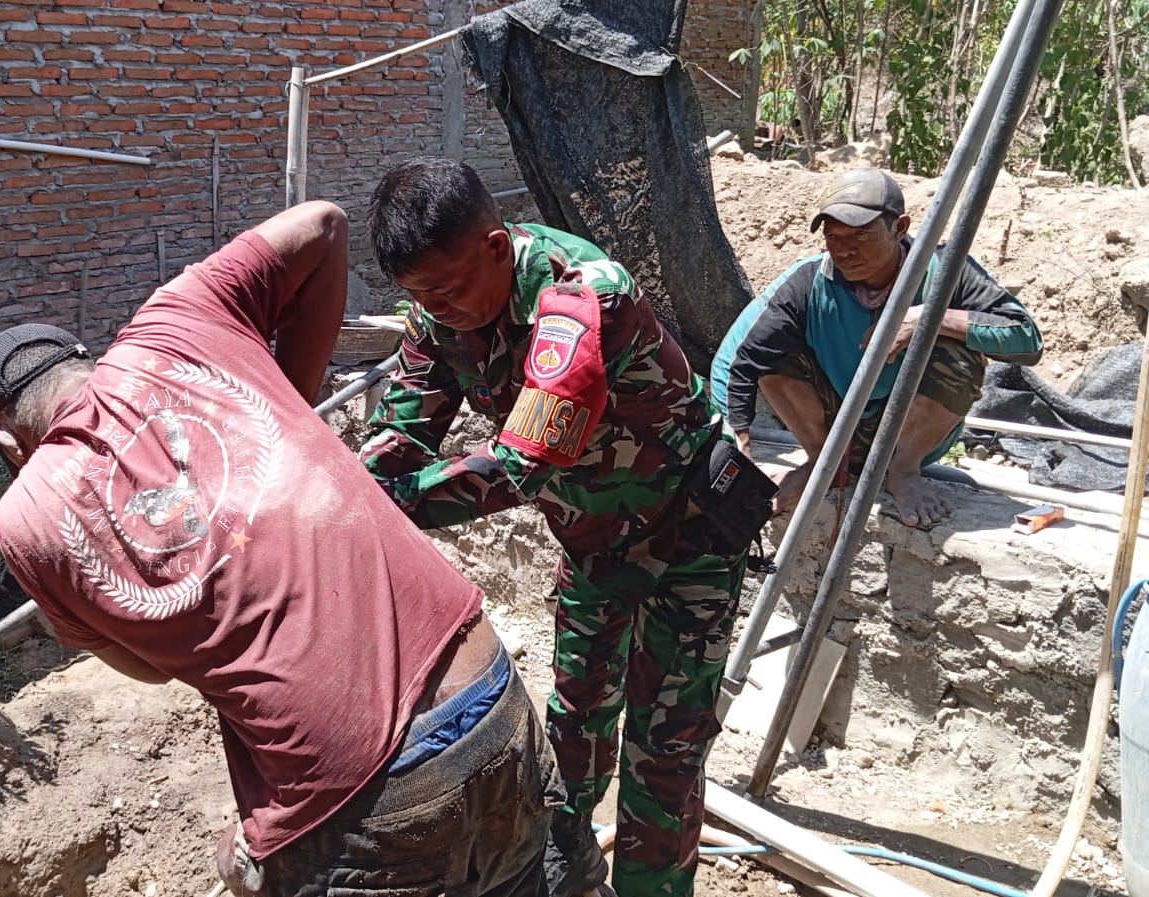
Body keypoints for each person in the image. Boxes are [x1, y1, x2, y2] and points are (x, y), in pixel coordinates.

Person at [0, 200, 561, 897]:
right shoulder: (176, 320)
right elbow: (324, 224)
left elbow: (149, 670)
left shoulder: (26, 520)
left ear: (5, 441)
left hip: (367, 797)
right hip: (492, 696)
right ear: (83, 361)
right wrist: (288, 408)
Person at [359, 157, 749, 897]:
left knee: (664, 753)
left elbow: (526, 460)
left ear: (495, 248)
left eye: (447, 289)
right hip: (594, 543)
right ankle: (566, 872)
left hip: (687, 540)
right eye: (419, 296)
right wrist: (354, 485)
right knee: (575, 727)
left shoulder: (580, 297)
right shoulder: (438, 314)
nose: (437, 309)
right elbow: (402, 429)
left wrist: (392, 502)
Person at [711, 167, 1044, 527]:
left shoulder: (946, 271)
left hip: (907, 430)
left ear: (900, 227)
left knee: (958, 352)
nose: (845, 250)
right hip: (835, 431)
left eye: (861, 234)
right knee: (774, 354)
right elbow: (743, 362)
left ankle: (902, 471)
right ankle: (823, 464)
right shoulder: (808, 283)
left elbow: (1026, 340)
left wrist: (930, 318)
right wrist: (739, 440)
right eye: (833, 237)